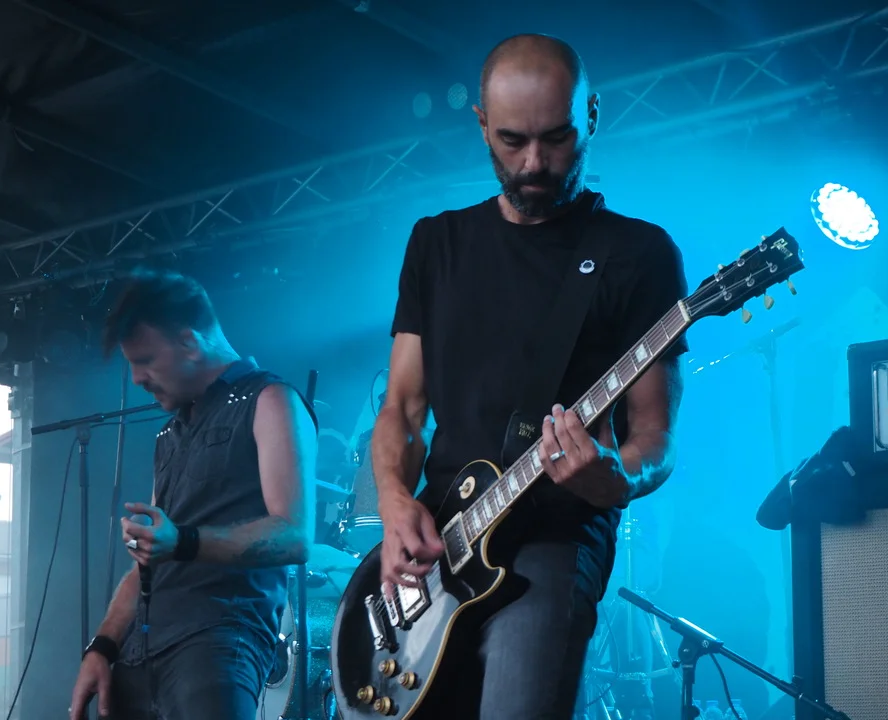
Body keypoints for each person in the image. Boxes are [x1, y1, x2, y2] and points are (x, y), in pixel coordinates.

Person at [371, 33, 688, 718]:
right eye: (512, 141)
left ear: (591, 116)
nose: (535, 163)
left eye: (557, 137)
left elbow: (655, 437)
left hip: (556, 534)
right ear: (482, 124)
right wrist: (395, 504)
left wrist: (616, 476)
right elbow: (401, 408)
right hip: (442, 537)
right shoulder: (437, 243)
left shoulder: (638, 254)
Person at [68, 270, 317, 720]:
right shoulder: (169, 434)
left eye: (145, 360)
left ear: (189, 342)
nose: (136, 378)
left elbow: (294, 534)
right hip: (139, 655)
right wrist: (101, 647)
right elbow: (148, 561)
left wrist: (183, 541)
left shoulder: (270, 399)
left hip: (217, 642)